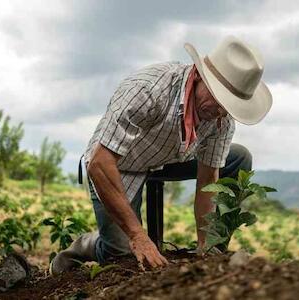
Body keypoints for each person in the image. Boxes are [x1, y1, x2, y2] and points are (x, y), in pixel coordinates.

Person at [50, 35, 272, 274]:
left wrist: (206, 247)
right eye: (218, 100)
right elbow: (100, 163)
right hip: (119, 164)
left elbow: (209, 180)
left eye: (228, 107)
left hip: (168, 158)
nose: (220, 113)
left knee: (239, 157)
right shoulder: (148, 90)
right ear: (199, 76)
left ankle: (214, 248)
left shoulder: (221, 118)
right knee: (122, 256)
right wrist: (137, 235)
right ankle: (87, 245)